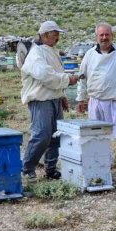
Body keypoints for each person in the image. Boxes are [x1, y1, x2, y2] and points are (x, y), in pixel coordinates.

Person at [76, 22, 116, 172]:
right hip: (96, 101)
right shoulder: (89, 55)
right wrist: (80, 98)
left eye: (107, 34)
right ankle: (105, 160)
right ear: (96, 37)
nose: (104, 37)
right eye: (101, 35)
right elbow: (82, 78)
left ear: (112, 36)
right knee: (98, 134)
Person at [20, 21, 79, 180]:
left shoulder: (51, 51)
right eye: (55, 34)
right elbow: (46, 76)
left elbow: (55, 74)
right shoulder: (35, 53)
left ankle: (50, 169)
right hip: (40, 100)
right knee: (42, 135)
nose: (58, 37)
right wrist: (68, 80)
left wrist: (62, 96)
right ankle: (27, 168)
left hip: (54, 99)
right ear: (45, 35)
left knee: (56, 136)